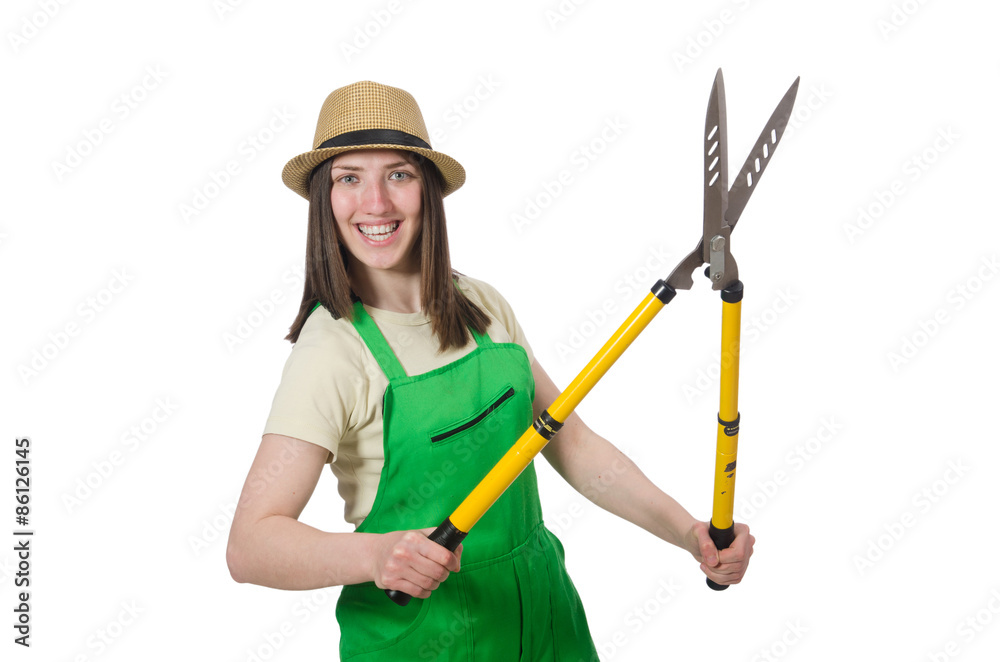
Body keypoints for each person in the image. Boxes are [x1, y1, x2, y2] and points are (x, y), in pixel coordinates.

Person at [226, 80, 754, 660]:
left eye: (398, 174)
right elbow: (250, 545)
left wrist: (687, 533)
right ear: (324, 199)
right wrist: (374, 556)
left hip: (543, 618)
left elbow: (572, 444)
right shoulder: (332, 351)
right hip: (423, 640)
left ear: (428, 190)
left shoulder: (481, 306)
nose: (375, 202)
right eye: (349, 178)